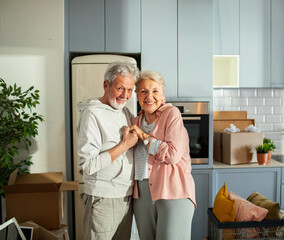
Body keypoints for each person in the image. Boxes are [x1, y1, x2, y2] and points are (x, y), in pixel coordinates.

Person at [76, 61, 139, 240]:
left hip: (125, 196)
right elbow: (87, 165)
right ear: (106, 85)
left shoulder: (124, 112)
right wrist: (124, 145)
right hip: (103, 198)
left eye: (129, 90)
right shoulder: (92, 115)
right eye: (120, 88)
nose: (125, 95)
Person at [131, 70, 196, 240]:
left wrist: (144, 137)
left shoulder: (171, 114)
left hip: (173, 190)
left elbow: (172, 155)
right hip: (142, 194)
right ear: (137, 95)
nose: (149, 96)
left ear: (162, 95)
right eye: (143, 91)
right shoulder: (134, 122)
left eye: (155, 91)